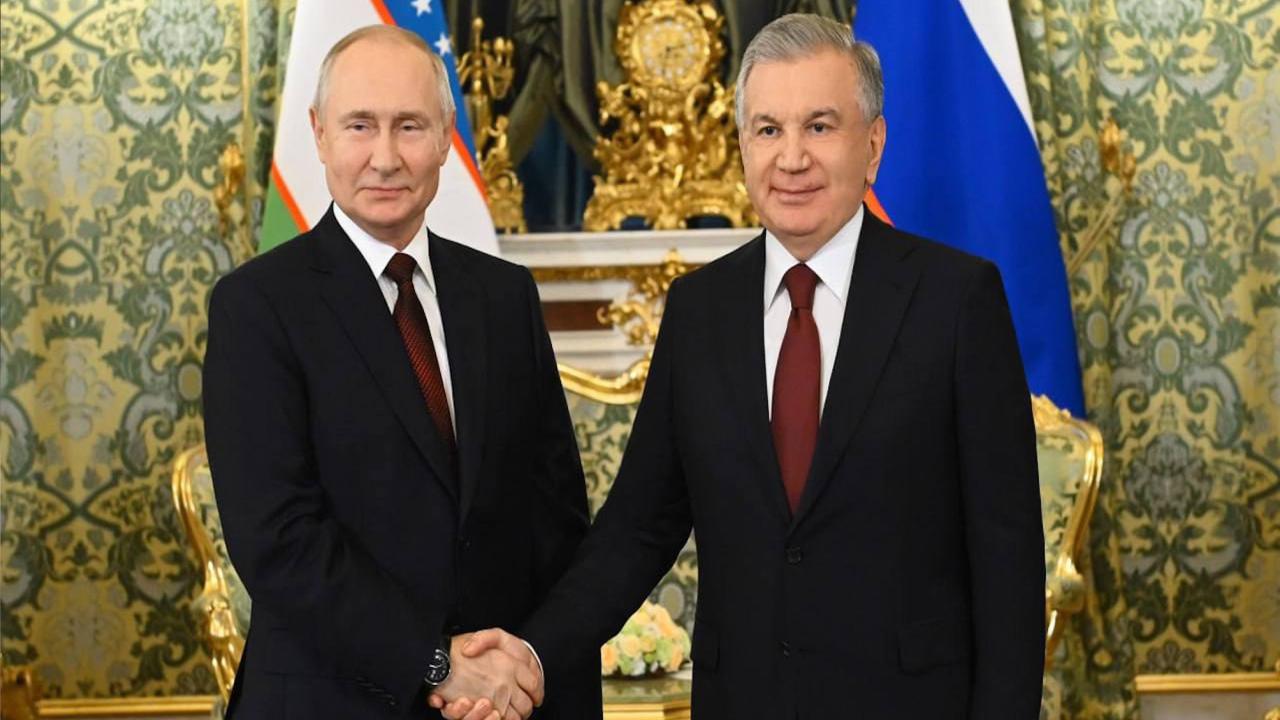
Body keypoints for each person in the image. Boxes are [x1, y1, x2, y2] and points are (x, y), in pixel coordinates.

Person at [442, 13, 1044, 720]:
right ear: (743, 146)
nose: (792, 157)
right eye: (768, 129)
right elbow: (638, 529)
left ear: (873, 145)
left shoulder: (956, 301)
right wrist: (533, 654)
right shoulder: (699, 310)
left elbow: (1007, 560)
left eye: (819, 126)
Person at [202, 25, 598, 720]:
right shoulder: (257, 306)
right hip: (327, 704)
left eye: (409, 126)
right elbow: (278, 540)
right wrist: (436, 662)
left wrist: (532, 672)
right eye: (360, 125)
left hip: (498, 709)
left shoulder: (504, 297)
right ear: (319, 134)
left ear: (446, 138)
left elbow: (555, 524)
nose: (384, 158)